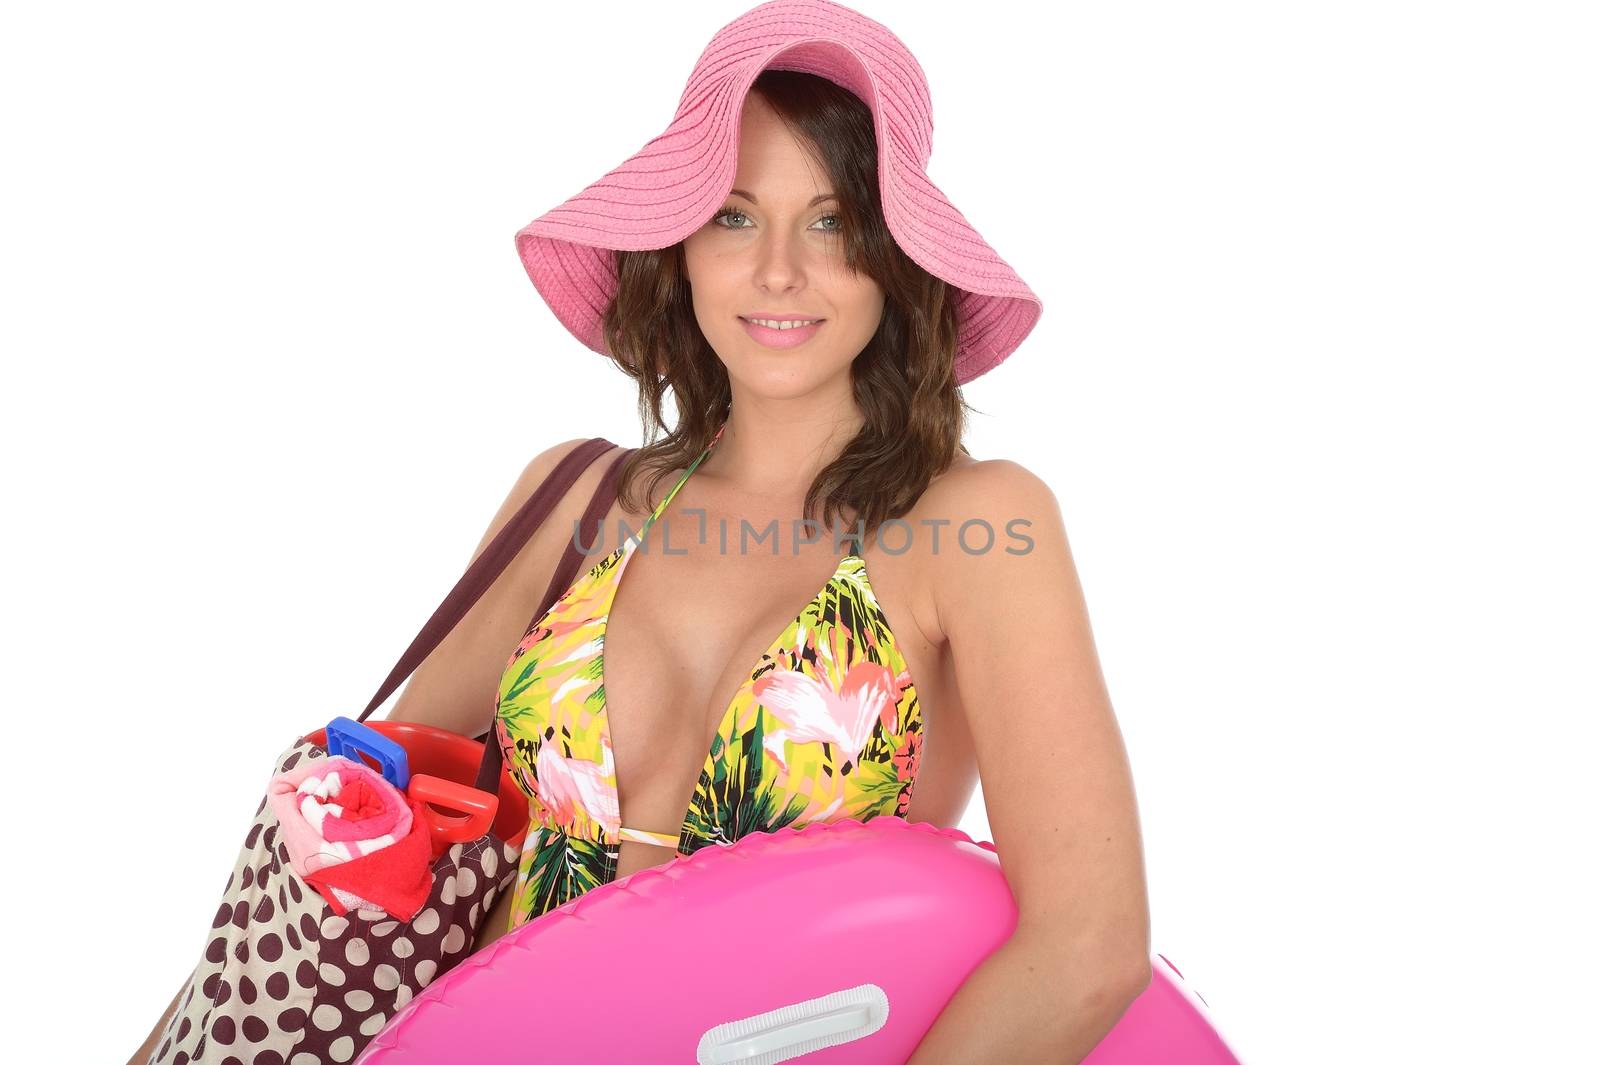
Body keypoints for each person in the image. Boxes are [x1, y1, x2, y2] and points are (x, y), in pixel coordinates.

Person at [131, 3, 1151, 1062]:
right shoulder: (577, 501)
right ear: (683, 247)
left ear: (895, 260)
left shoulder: (974, 524)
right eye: (736, 217)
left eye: (834, 220)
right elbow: (346, 843)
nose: (777, 274)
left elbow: (1090, 944)